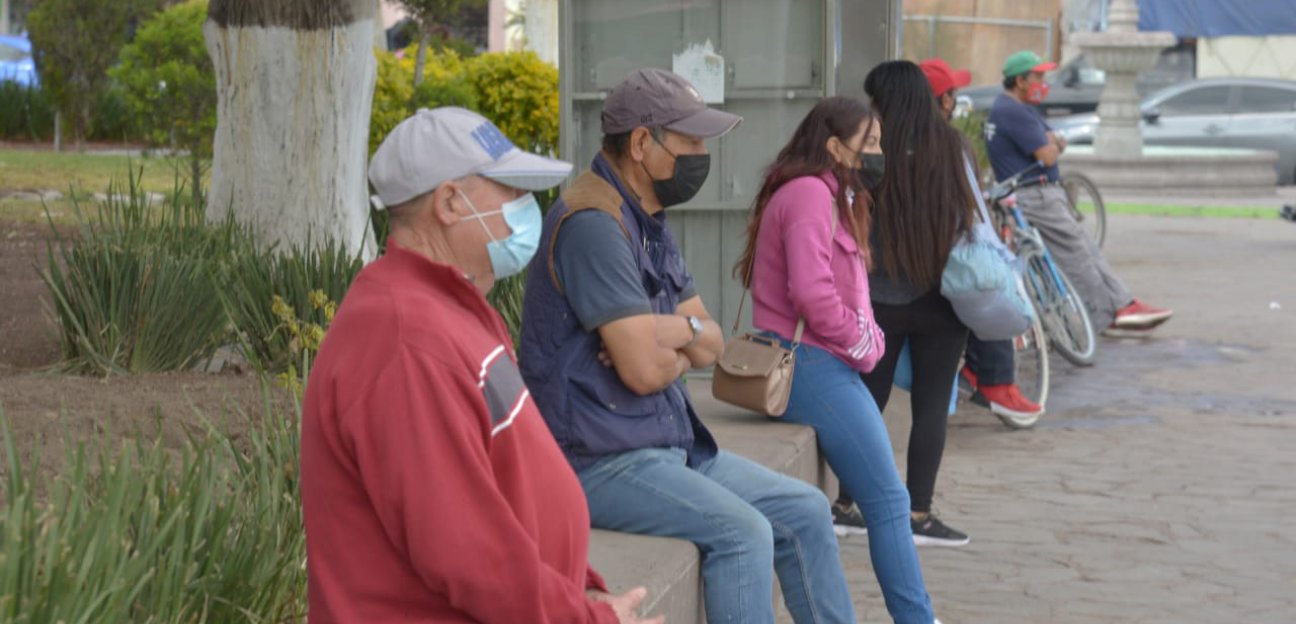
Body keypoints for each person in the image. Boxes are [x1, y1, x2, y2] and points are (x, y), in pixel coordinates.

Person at [520, 68, 858, 623]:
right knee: (743, 533)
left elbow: (713, 342)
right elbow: (643, 372)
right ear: (640, 143)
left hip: (661, 442)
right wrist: (674, 335)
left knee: (806, 509)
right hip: (596, 460)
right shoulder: (594, 223)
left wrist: (672, 331)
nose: (703, 155)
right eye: (692, 141)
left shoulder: (646, 217)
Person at [300, 107, 661, 624]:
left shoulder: (453, 307)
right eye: (511, 191)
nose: (528, 207)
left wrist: (578, 590)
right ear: (449, 202)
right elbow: (466, 551)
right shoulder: (406, 341)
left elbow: (508, 477)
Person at [738, 95, 939, 623]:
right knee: (890, 503)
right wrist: (862, 343)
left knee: (885, 500)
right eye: (867, 144)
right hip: (809, 363)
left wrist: (863, 337)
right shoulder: (808, 194)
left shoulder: (829, 193)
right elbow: (812, 293)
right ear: (833, 146)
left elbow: (845, 288)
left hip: (823, 361)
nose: (877, 154)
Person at [986, 50, 1173, 334]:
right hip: (1034, 195)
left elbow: (1054, 140)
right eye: (1038, 77)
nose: (1043, 82)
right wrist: (1052, 145)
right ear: (1020, 81)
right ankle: (1104, 316)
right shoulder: (1012, 111)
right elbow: (1048, 154)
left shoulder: (1018, 109)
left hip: (1040, 193)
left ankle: (1123, 304)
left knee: (1086, 248)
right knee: (1076, 254)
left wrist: (1052, 143)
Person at [922, 56, 1046, 425]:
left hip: (910, 259)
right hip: (940, 260)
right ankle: (994, 379)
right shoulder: (949, 143)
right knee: (987, 284)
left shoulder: (896, 139)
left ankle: (988, 376)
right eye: (953, 94)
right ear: (943, 102)